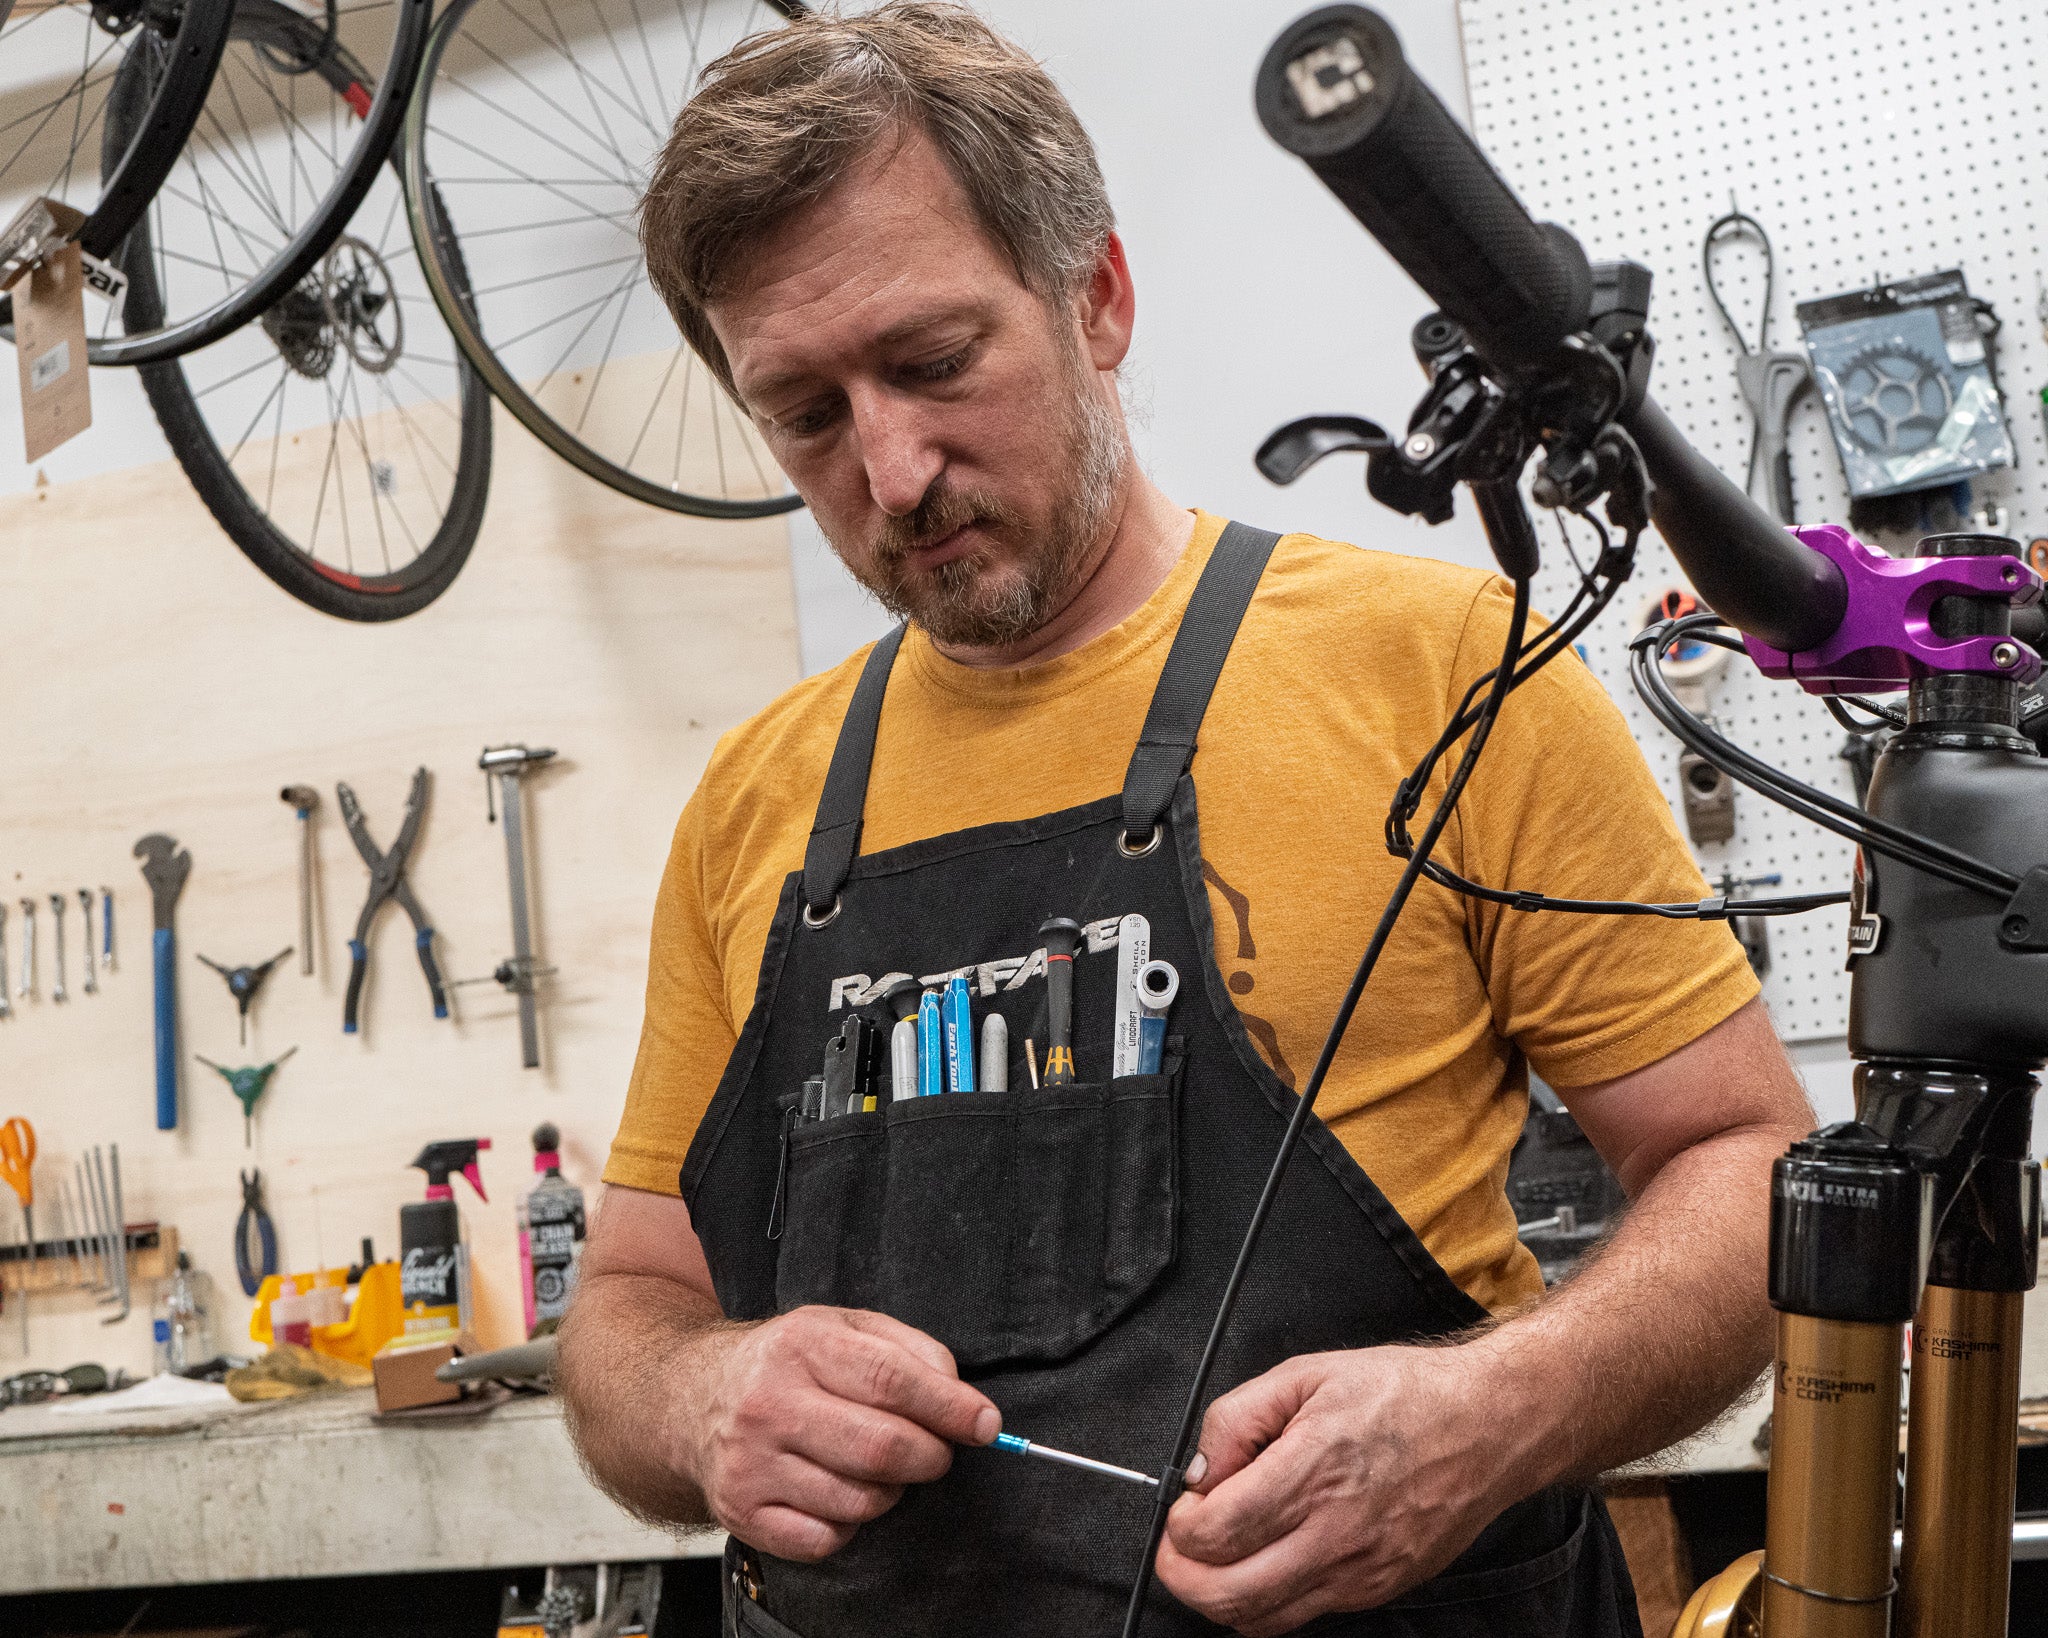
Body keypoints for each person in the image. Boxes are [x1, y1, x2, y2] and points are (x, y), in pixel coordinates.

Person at [558, 7, 1813, 1635]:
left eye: (935, 362)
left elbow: (1753, 1158)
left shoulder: (1440, 674)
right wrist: (701, 1397)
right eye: (804, 413)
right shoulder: (756, 802)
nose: (894, 465)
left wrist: (1503, 1413)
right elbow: (628, 1319)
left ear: (1098, 297)